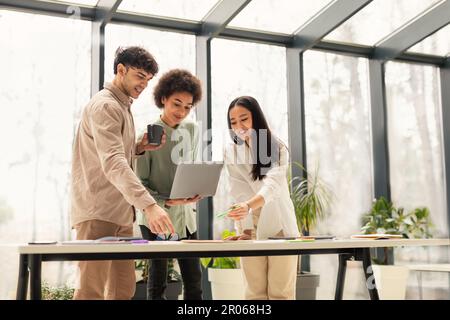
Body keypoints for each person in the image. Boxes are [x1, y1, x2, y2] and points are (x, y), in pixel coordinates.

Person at [70, 46, 175, 300]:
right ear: (121, 70)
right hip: (98, 211)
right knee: (91, 291)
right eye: (139, 76)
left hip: (119, 213)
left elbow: (115, 152)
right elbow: (114, 162)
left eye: (148, 80)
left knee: (123, 289)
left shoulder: (123, 106)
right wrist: (149, 206)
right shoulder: (106, 106)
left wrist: (139, 147)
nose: (144, 84)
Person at [223, 96, 300, 300]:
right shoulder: (231, 151)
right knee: (254, 293)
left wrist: (248, 206)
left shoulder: (277, 146)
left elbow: (272, 186)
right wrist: (245, 229)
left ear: (256, 118)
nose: (239, 126)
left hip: (280, 225)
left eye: (244, 119)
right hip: (251, 226)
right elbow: (238, 190)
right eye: (233, 122)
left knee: (280, 293)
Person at [135, 69, 203, 300]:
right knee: (157, 284)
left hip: (186, 218)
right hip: (157, 217)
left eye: (187, 106)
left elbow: (190, 168)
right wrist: (166, 201)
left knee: (194, 282)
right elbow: (139, 183)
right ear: (163, 98)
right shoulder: (149, 134)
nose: (182, 111)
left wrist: (196, 189)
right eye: (177, 104)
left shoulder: (192, 129)